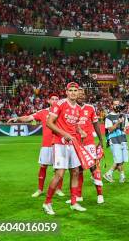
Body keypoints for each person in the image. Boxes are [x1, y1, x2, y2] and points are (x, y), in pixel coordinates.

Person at [8, 94, 64, 198]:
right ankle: (39, 189)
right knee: (43, 167)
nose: (55, 101)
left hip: (59, 143)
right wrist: (17, 119)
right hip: (46, 145)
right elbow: (29, 117)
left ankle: (58, 189)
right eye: (53, 99)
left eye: (57, 99)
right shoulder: (43, 112)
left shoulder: (62, 111)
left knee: (59, 168)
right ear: (49, 101)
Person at [43, 82, 85, 215]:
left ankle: (74, 202)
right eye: (70, 90)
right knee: (60, 174)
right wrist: (64, 134)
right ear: (66, 92)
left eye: (75, 90)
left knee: (75, 172)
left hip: (72, 143)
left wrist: (80, 131)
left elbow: (74, 125)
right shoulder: (59, 104)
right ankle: (47, 203)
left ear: (78, 92)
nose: (73, 92)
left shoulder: (78, 108)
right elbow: (49, 123)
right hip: (60, 143)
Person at [74, 88, 105, 204]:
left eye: (83, 94)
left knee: (94, 167)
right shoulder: (71, 108)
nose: (82, 96)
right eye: (79, 94)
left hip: (89, 143)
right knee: (78, 170)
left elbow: (96, 124)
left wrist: (101, 139)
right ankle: (78, 196)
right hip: (76, 144)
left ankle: (100, 194)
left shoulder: (90, 108)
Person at [103, 100, 129, 183]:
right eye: (115, 104)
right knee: (118, 159)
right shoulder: (109, 117)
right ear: (112, 106)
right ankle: (113, 174)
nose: (117, 106)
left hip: (123, 139)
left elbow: (126, 126)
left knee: (123, 159)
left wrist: (125, 129)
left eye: (118, 104)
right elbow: (110, 129)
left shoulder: (123, 116)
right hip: (113, 139)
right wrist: (118, 122)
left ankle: (118, 175)